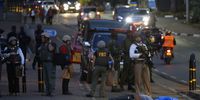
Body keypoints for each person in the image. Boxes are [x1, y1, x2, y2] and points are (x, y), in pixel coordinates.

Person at [129, 34, 152, 100]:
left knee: (147, 79)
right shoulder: (133, 45)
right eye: (137, 37)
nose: (138, 38)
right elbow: (131, 55)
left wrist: (149, 60)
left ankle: (148, 94)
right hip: (138, 63)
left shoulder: (144, 45)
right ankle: (138, 95)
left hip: (145, 63)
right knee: (138, 80)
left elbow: (148, 53)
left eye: (139, 37)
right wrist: (139, 55)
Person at [38, 32, 56, 96]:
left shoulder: (50, 44)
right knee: (45, 78)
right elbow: (39, 50)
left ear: (46, 38)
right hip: (44, 62)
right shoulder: (43, 44)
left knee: (50, 78)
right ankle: (47, 91)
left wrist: (48, 44)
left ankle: (51, 91)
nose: (42, 39)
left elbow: (51, 49)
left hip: (49, 63)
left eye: (43, 37)